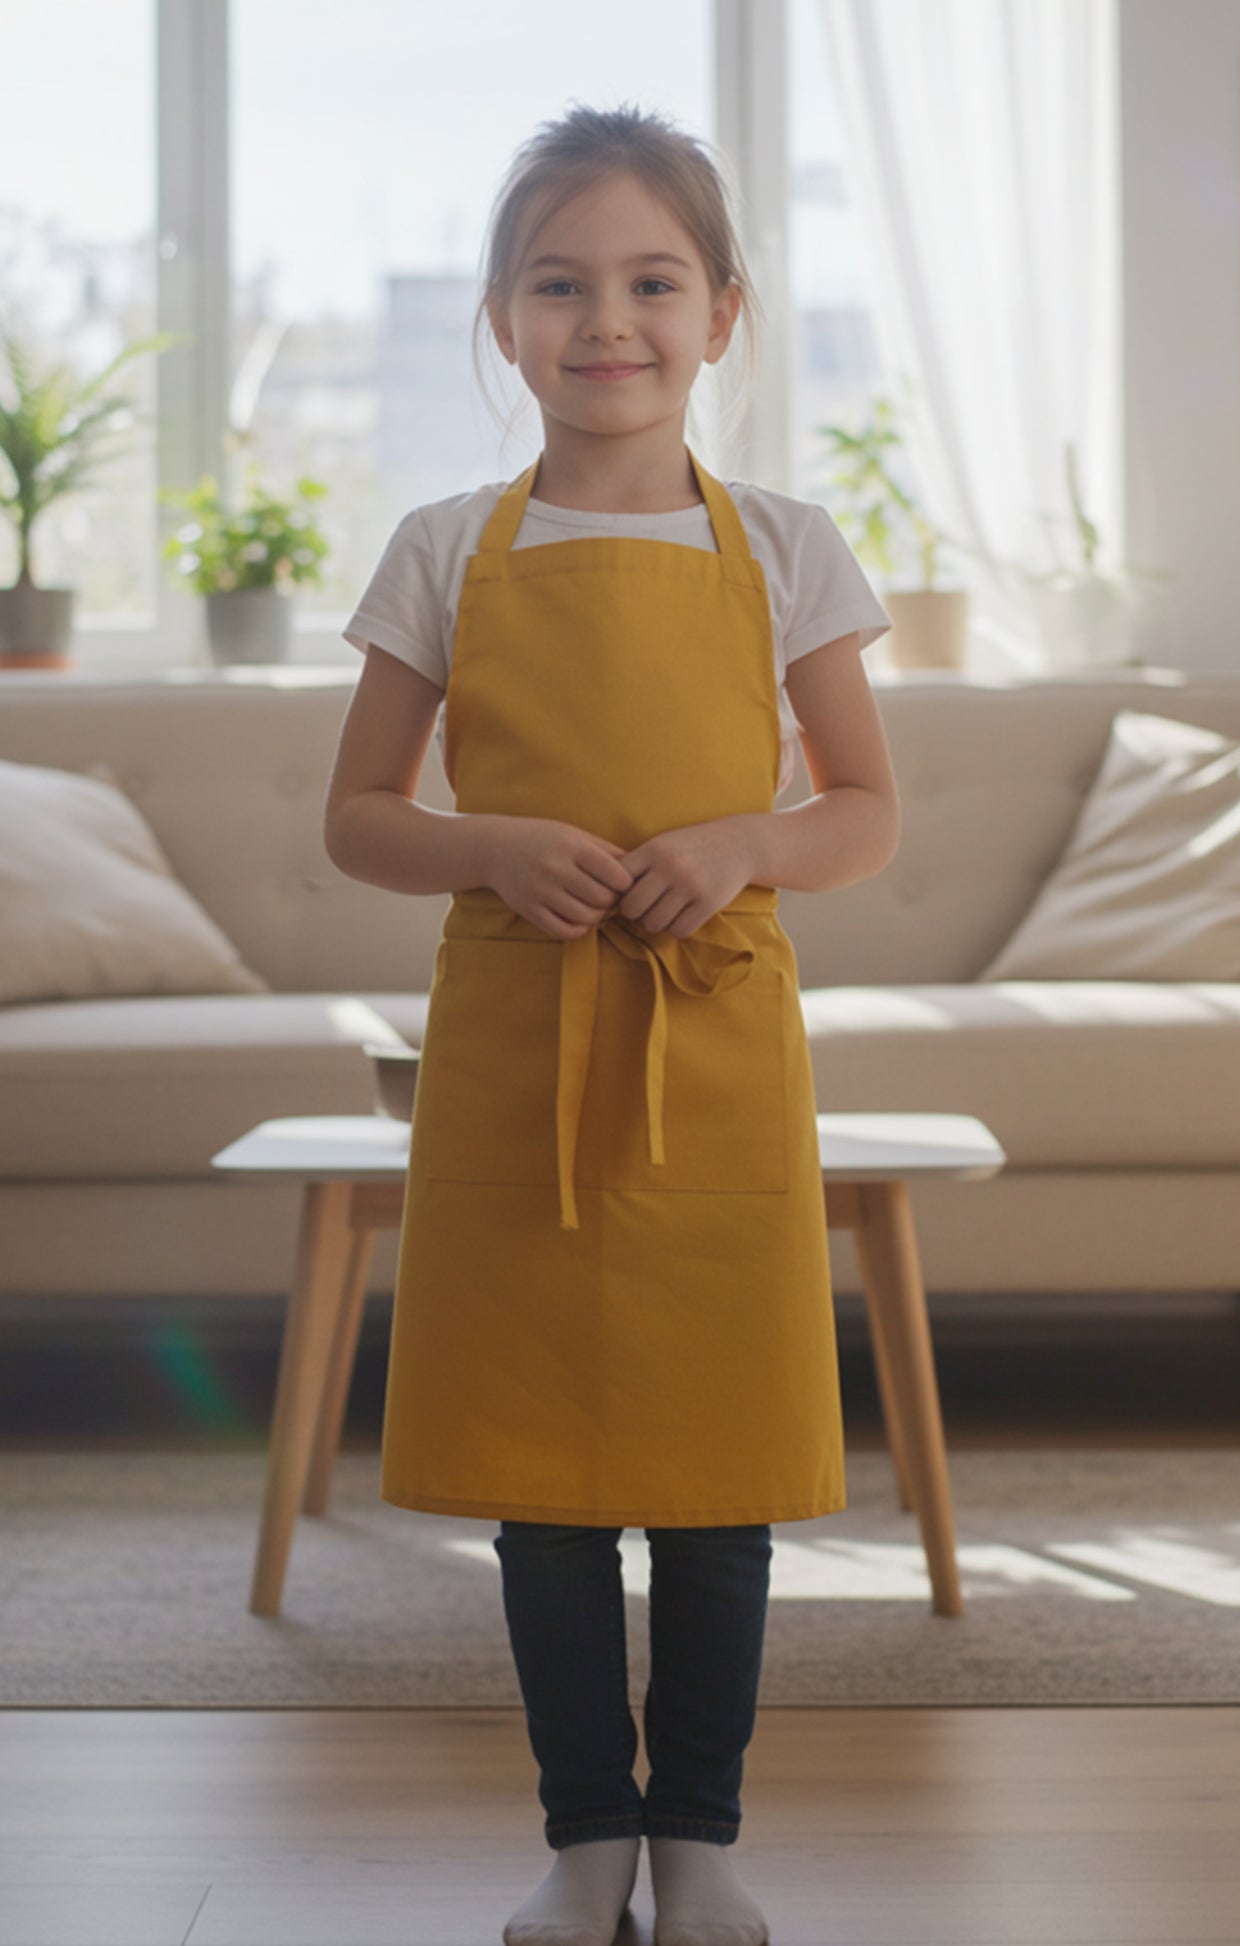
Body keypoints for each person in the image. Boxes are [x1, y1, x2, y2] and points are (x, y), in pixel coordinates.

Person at [325, 101, 900, 1946]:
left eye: (653, 280)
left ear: (722, 312)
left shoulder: (791, 547)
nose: (608, 320)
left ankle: (702, 1834)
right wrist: (489, 843)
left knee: (714, 1460)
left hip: (719, 1047)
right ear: (501, 319)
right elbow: (358, 815)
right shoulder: (439, 549)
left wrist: (745, 838)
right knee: (544, 1469)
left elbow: (864, 807)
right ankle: (585, 1836)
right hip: (516, 1046)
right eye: (560, 283)